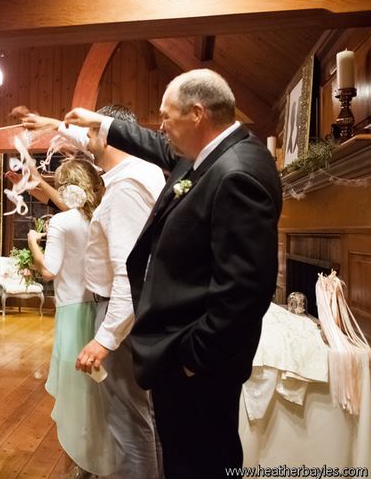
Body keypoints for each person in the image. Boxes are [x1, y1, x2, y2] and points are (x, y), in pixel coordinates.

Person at [64, 69, 283, 478]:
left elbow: (245, 290)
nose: (161, 127)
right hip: (181, 350)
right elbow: (157, 147)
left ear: (197, 114)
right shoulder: (211, 153)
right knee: (181, 457)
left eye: (167, 117)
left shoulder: (237, 173)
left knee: (200, 463)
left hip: (199, 365)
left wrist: (192, 359)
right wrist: (100, 123)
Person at [24, 105, 165, 479]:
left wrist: (105, 338)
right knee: (142, 416)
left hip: (119, 313)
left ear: (108, 134)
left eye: (90, 133)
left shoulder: (125, 187)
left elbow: (129, 272)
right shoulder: (143, 169)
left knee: (128, 421)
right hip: (128, 311)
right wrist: (53, 125)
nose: (84, 141)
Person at [26, 159, 119, 477]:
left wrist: (33, 244)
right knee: (96, 388)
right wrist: (42, 182)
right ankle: (103, 456)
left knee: (76, 391)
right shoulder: (100, 215)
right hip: (99, 309)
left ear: (66, 188)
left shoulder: (61, 222)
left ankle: (82, 461)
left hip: (71, 310)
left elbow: (49, 270)